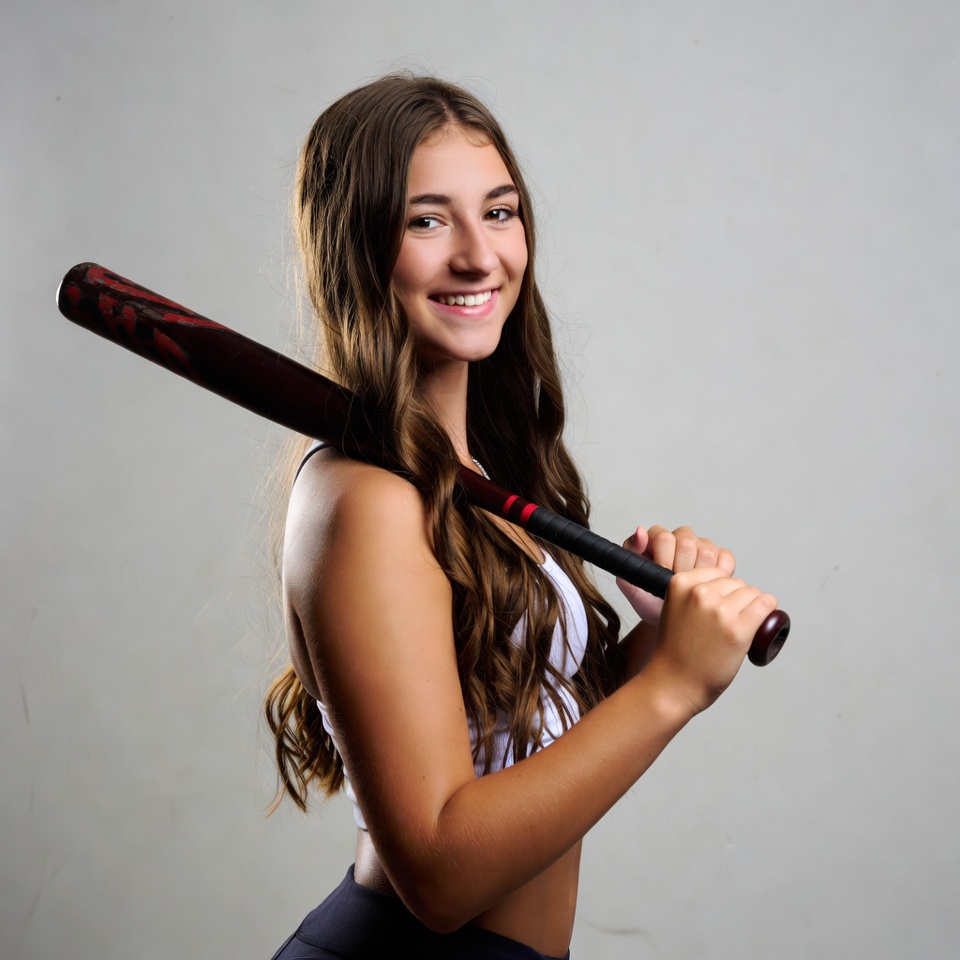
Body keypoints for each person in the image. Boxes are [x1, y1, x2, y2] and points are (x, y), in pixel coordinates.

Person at [264, 74, 777, 960]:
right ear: (358, 249)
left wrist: (659, 644)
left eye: (499, 212)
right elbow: (439, 872)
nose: (478, 255)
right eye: (427, 220)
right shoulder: (368, 500)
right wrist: (670, 690)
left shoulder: (469, 476)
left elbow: (523, 748)